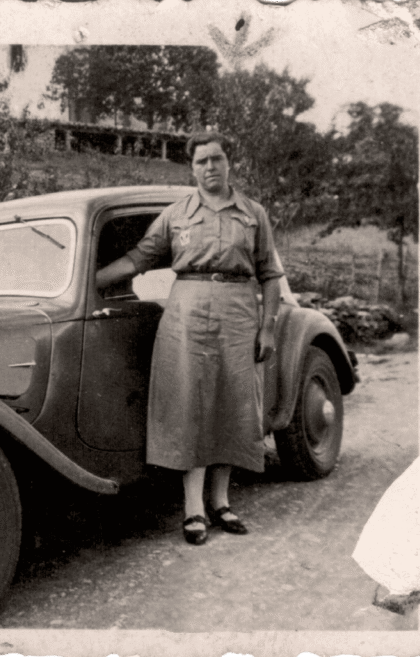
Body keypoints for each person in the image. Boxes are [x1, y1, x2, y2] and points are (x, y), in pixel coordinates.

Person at [97, 132, 283, 545]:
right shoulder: (176, 214)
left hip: (238, 311)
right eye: (201, 162)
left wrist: (267, 325)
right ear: (192, 167)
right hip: (187, 312)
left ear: (228, 162)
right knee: (190, 402)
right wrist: (92, 281)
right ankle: (194, 508)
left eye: (216, 159)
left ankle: (222, 502)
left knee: (233, 402)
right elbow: (139, 259)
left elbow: (269, 274)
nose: (210, 167)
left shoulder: (253, 213)